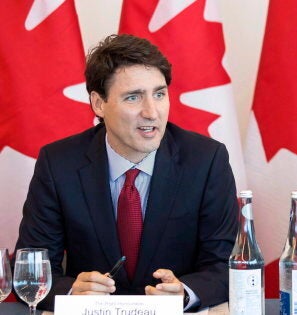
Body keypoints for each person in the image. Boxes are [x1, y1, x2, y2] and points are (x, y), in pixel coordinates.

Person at [14, 34, 238, 311]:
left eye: (159, 94)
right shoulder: (58, 163)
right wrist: (72, 291)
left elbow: (227, 264)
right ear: (99, 104)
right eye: (133, 97)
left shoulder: (206, 160)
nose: (151, 111)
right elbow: (30, 269)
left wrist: (185, 292)